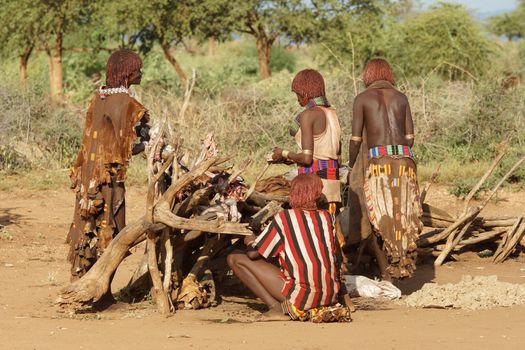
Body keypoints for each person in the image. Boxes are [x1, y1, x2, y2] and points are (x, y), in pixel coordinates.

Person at [66, 49, 150, 281]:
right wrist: (151, 146)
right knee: (111, 230)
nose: (141, 73)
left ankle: (83, 284)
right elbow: (125, 149)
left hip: (87, 179)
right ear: (127, 73)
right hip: (109, 178)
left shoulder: (99, 98)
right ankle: (102, 295)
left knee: (86, 229)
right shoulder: (129, 105)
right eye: (137, 69)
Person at [227, 174, 351, 322]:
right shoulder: (327, 217)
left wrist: (250, 240)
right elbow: (333, 257)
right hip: (329, 296)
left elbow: (254, 254)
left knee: (235, 258)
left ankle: (275, 308)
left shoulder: (285, 218)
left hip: (303, 298)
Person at [348, 58, 422, 280]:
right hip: (406, 164)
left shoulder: (362, 99)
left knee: (378, 216)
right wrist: (397, 152)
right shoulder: (401, 97)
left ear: (368, 75)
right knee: (405, 216)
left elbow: (355, 139)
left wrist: (351, 164)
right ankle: (405, 267)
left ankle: (386, 274)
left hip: (378, 165)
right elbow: (410, 137)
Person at [271, 69, 342, 220]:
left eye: (297, 94)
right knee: (330, 229)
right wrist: (291, 159)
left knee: (311, 231)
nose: (297, 99)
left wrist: (282, 153)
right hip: (333, 184)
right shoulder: (332, 113)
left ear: (304, 93)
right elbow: (333, 155)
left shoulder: (308, 115)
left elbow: (307, 158)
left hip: (314, 187)